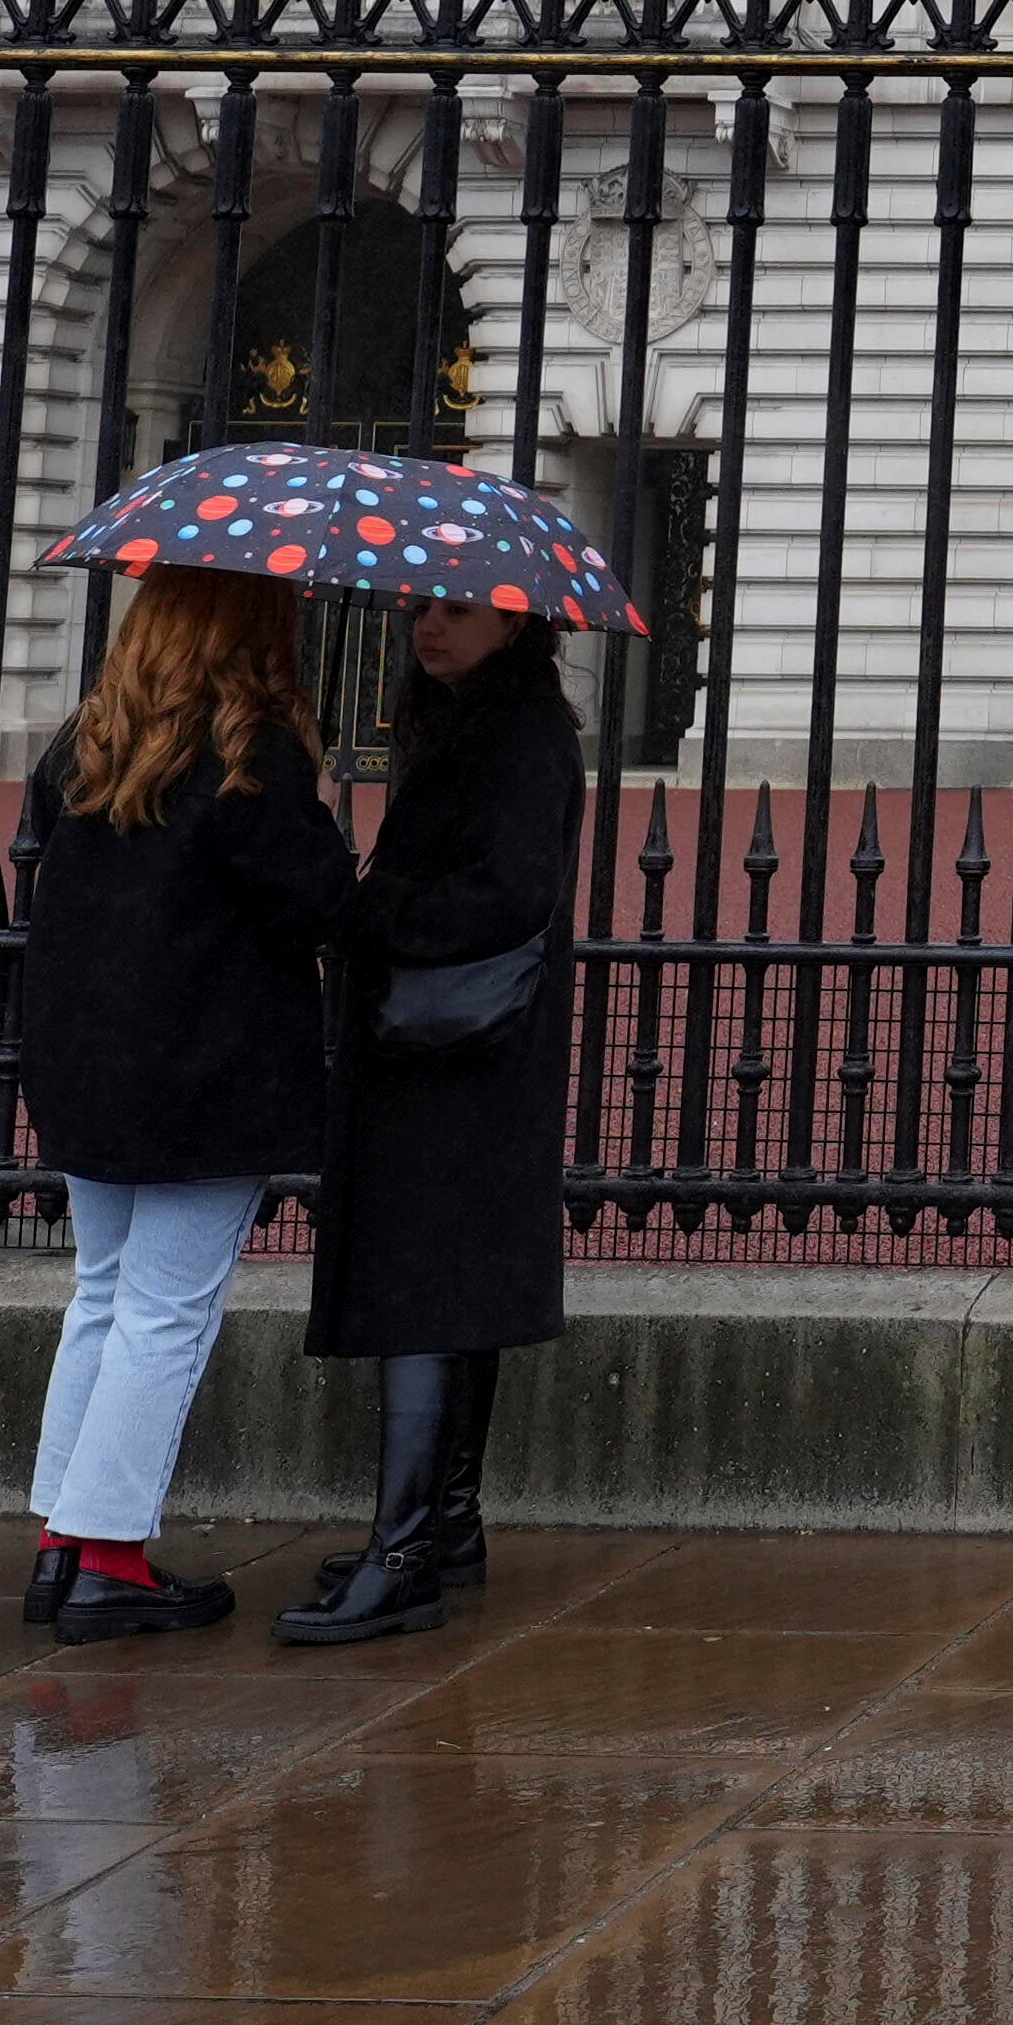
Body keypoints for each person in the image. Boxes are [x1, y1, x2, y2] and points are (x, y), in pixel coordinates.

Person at [9, 566, 376, 1647]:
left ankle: (63, 1540)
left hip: (88, 1059)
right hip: (201, 1072)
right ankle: (109, 1558)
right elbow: (318, 905)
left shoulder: (88, 740)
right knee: (165, 1311)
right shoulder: (247, 751)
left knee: (104, 1295)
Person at [282, 591, 587, 1648]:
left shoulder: (519, 731)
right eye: (421, 608)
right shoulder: (465, 719)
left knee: (421, 1285)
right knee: (451, 1284)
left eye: (457, 611)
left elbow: (508, 892)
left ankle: (404, 1551)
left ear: (515, 626)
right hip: (453, 1044)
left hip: (454, 1046)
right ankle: (446, 1525)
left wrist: (371, 909)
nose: (430, 626)